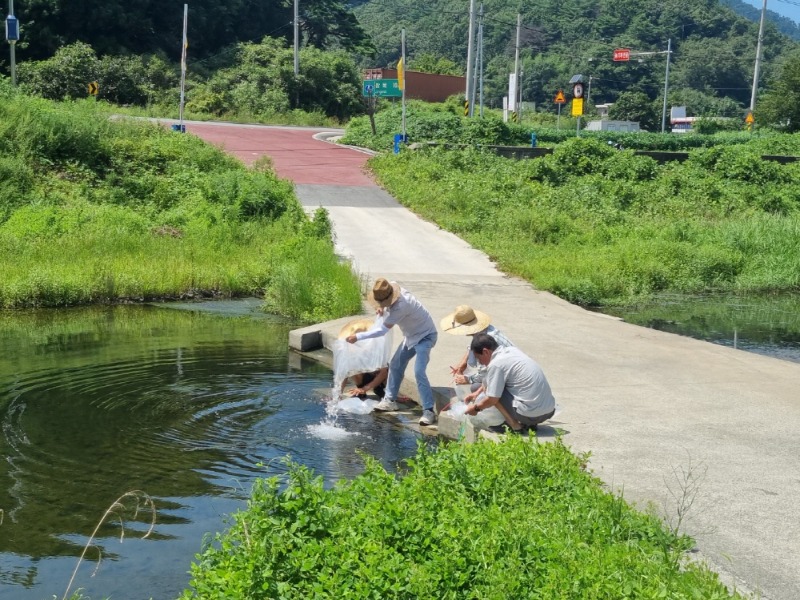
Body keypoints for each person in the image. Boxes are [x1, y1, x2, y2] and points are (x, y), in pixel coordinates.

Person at [346, 278, 439, 426]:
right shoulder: (391, 286)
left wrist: (358, 336)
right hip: (410, 337)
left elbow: (382, 330)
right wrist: (382, 308)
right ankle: (390, 401)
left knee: (419, 371)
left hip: (425, 336)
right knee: (395, 365)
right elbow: (386, 289)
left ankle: (429, 411)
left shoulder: (402, 305)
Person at [463, 333, 556, 434]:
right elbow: (487, 380)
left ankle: (514, 425)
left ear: (485, 352)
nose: (480, 363)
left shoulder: (496, 364)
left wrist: (476, 408)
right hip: (548, 410)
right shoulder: (511, 351)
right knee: (478, 387)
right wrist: (476, 393)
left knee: (491, 391)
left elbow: (492, 399)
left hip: (530, 415)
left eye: (479, 358)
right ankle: (529, 424)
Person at [440, 305, 513, 390]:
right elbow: (472, 346)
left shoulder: (485, 342)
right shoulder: (486, 330)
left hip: (511, 378)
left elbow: (485, 373)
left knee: (476, 387)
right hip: (510, 368)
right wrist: (463, 363)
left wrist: (468, 379)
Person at [336, 318, 388, 399]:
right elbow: (344, 373)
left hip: (380, 378)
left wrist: (366, 388)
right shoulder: (350, 351)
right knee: (350, 365)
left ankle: (383, 390)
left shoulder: (375, 348)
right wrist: (338, 394)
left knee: (393, 368)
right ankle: (360, 389)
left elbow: (383, 372)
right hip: (362, 379)